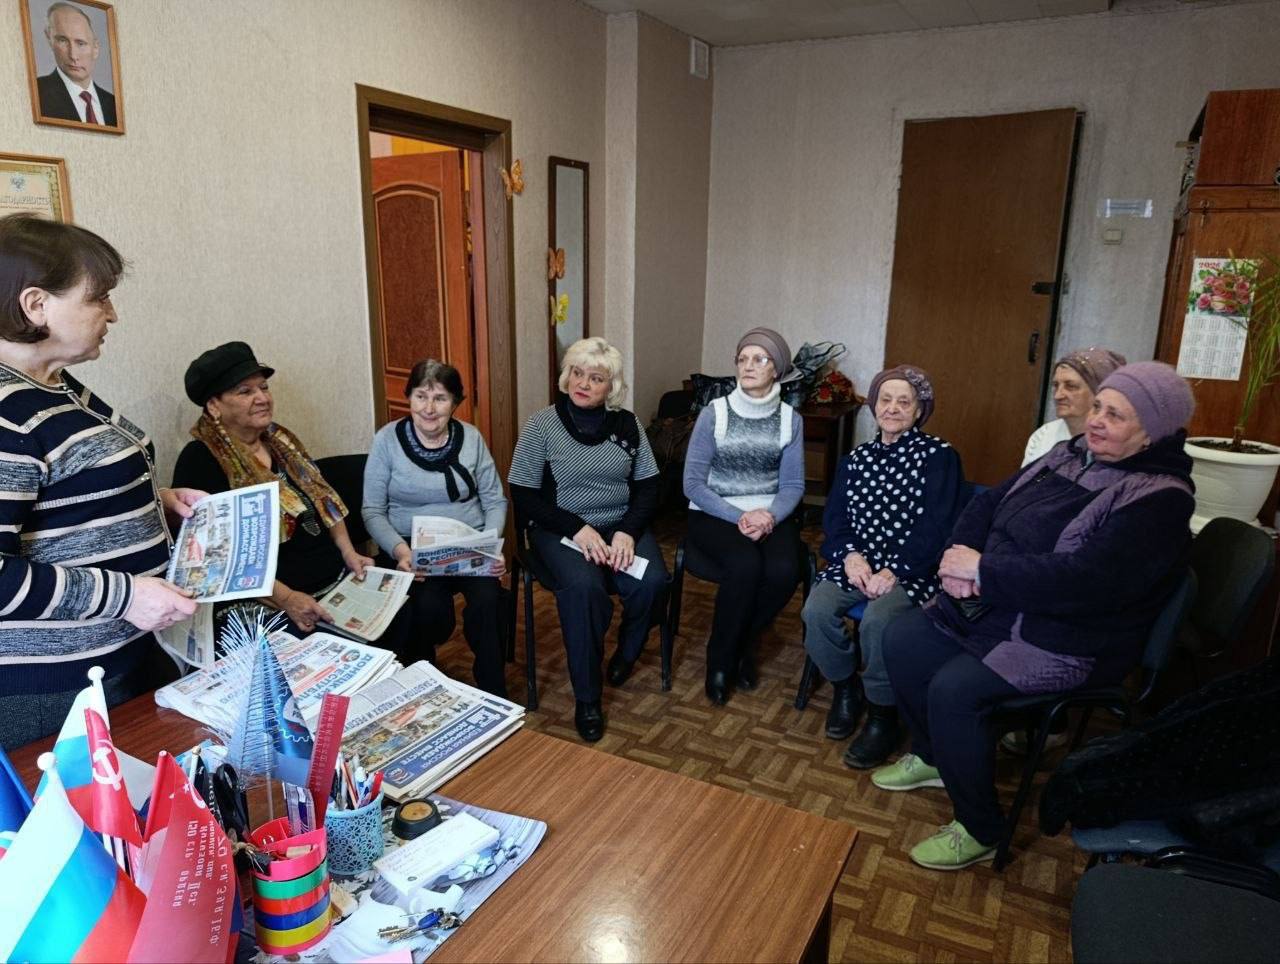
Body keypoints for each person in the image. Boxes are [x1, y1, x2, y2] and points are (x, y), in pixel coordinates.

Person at [872, 361, 1196, 871]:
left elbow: (1087, 581)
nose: (1096, 420)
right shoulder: (1068, 453)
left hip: (1068, 636)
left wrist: (984, 570)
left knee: (954, 690)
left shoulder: (1160, 498)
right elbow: (989, 504)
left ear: (1152, 433)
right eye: (1098, 407)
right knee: (903, 640)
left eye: (1115, 415)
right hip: (999, 603)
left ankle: (980, 827)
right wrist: (959, 559)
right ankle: (933, 757)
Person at [0, 214, 200, 749]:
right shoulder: (5, 415)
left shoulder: (53, 384)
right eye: (99, 298)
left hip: (120, 653)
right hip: (56, 688)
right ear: (36, 305)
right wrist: (124, 595)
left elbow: (60, 492)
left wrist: (151, 499)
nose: (112, 314)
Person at [802, 365, 963, 768]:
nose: (892, 408)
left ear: (919, 410)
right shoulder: (855, 459)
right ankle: (846, 689)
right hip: (857, 562)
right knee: (816, 610)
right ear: (874, 406)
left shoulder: (939, 457)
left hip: (914, 569)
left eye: (904, 402)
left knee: (877, 621)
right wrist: (850, 556)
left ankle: (882, 714)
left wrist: (895, 570)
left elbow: (939, 527)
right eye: (885, 400)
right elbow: (835, 520)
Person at [508, 336, 667, 742]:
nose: (583, 383)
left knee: (652, 582)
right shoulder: (541, 425)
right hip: (560, 530)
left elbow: (648, 486)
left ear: (611, 386)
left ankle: (627, 651)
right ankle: (588, 697)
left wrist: (627, 531)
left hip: (619, 525)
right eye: (577, 373)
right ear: (567, 376)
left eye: (596, 378)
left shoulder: (628, 424)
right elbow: (523, 493)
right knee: (584, 589)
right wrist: (577, 528)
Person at [173, 342, 385, 640]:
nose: (262, 398)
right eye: (245, 391)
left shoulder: (280, 440)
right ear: (214, 406)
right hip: (267, 596)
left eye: (263, 387)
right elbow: (218, 559)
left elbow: (324, 499)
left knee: (404, 612)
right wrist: (287, 599)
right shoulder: (201, 459)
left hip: (331, 575)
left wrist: (350, 553)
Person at [362, 359, 509, 698]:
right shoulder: (386, 441)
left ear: (455, 402)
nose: (429, 408)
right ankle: (424, 683)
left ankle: (493, 690)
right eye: (421, 396)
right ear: (409, 398)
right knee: (428, 609)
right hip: (410, 549)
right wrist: (401, 552)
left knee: (489, 602)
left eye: (440, 398)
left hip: (469, 544)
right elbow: (372, 511)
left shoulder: (471, 438)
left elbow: (495, 500)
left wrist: (491, 546)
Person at [683, 327, 805, 706]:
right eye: (742, 359)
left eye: (759, 359)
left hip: (769, 513)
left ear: (776, 370)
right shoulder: (714, 414)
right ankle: (721, 659)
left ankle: (744, 640)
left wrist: (768, 516)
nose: (748, 366)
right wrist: (740, 516)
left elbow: (793, 485)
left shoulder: (790, 419)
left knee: (786, 569)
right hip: (714, 511)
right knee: (745, 564)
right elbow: (692, 484)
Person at [1022, 348, 1126, 466]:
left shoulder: (1116, 443)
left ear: (1099, 391)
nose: (1058, 395)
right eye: (1056, 385)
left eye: (1071, 386)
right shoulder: (1044, 436)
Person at [35, 2, 118, 126]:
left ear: (95, 49)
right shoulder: (37, 93)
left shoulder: (113, 104)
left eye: (80, 43)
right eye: (63, 41)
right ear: (50, 40)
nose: (73, 56)